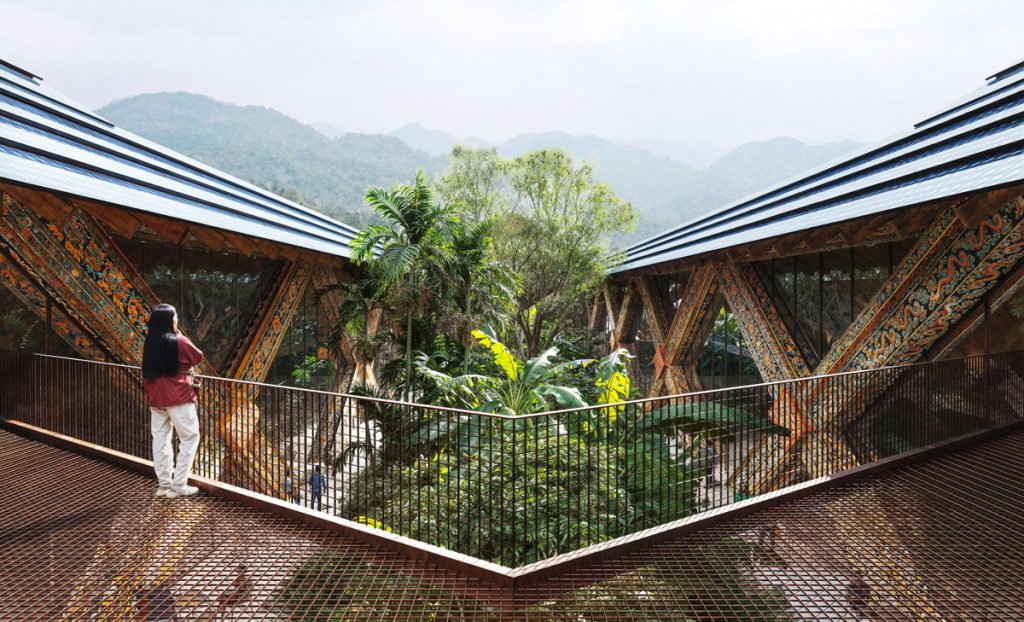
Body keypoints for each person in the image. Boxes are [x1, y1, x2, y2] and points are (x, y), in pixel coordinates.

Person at [142, 304, 204, 499]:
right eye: (175, 317)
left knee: (160, 441)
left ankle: (163, 486)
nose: (176, 320)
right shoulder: (179, 341)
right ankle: (179, 485)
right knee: (190, 437)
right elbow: (198, 356)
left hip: (156, 398)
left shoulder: (150, 343)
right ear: (170, 320)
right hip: (179, 397)